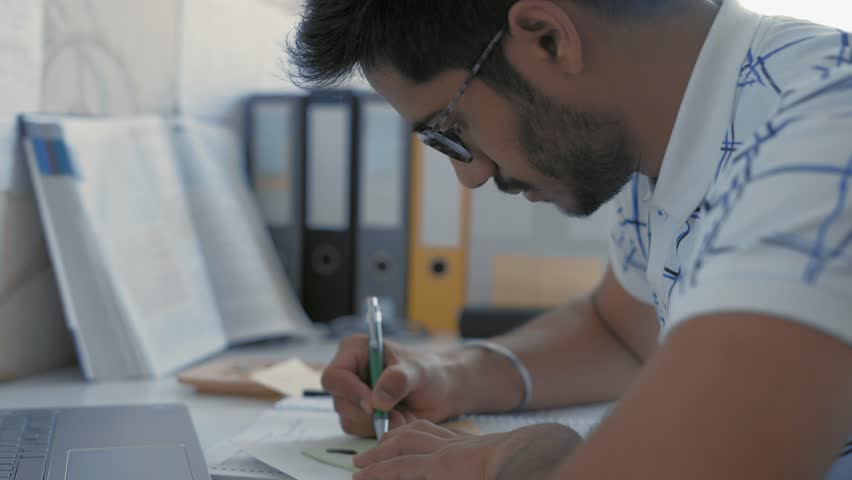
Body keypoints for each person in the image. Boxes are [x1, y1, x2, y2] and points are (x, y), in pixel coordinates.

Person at [286, 0, 852, 478]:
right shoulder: (664, 140)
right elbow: (623, 334)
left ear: (549, 39)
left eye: (452, 132)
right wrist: (451, 376)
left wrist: (538, 462)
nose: (471, 173)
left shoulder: (829, 127)